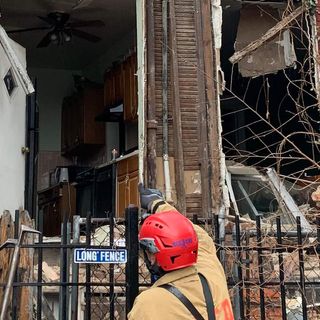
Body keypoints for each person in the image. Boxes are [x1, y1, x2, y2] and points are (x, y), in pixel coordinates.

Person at [128, 185, 234, 320]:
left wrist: (156, 203)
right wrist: (158, 203)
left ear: (155, 254)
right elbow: (198, 235)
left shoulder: (150, 304)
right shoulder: (211, 272)